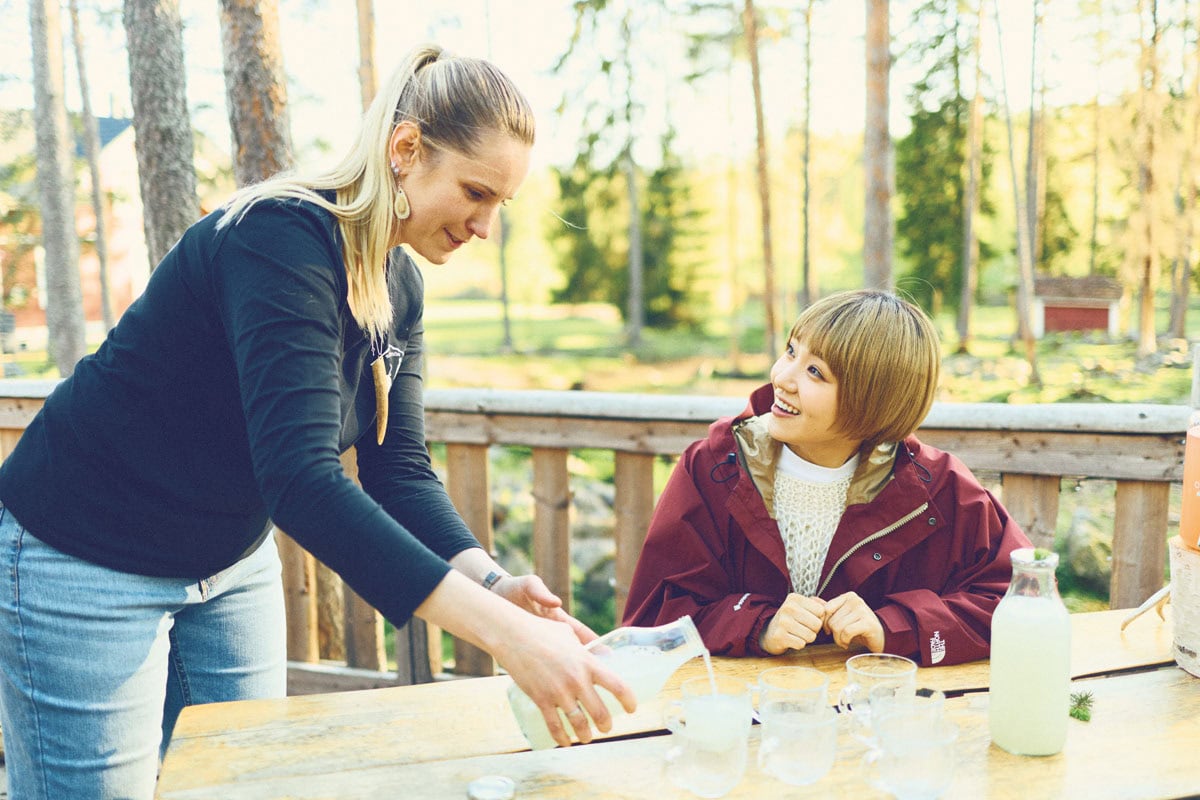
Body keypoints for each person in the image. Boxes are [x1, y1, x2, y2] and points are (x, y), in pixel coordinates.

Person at [0, 45, 632, 799]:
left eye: (501, 203)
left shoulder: (398, 284)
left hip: (227, 563)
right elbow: (301, 479)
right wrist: (507, 639)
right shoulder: (278, 238)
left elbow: (398, 469)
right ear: (406, 150)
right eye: (476, 191)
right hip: (85, 551)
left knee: (242, 785)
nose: (486, 225)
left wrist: (492, 584)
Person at [623, 289, 1031, 667]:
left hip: (879, 722)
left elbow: (1021, 600)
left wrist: (895, 625)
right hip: (738, 719)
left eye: (816, 372)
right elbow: (653, 621)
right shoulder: (715, 467)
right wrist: (756, 625)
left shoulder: (938, 490)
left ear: (873, 403)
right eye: (790, 352)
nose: (782, 378)